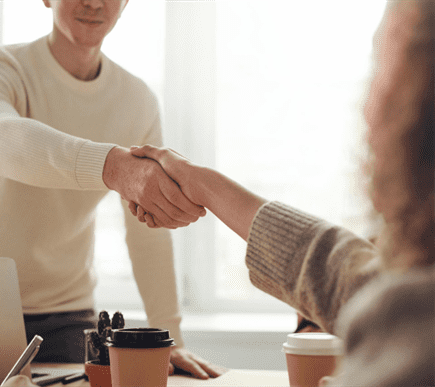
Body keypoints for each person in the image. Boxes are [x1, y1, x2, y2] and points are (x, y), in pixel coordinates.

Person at [129, 0, 434, 385]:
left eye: (381, 78)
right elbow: (350, 276)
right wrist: (204, 184)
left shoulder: (413, 331)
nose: (367, 113)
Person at [0, 0, 223, 379]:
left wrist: (170, 336)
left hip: (65, 317)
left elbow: (147, 231)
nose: (93, 2)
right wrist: (113, 167)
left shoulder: (136, 100)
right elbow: (2, 143)